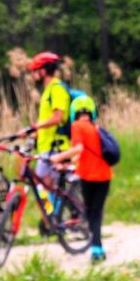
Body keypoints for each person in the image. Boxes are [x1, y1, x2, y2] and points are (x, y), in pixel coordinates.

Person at [51, 94, 111, 263]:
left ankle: (96, 248)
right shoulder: (96, 128)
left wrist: (58, 158)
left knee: (91, 212)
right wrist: (68, 161)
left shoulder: (77, 126)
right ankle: (97, 247)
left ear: (73, 112)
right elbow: (86, 152)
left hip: (88, 177)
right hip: (105, 176)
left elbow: (78, 148)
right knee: (96, 212)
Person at [24, 52, 71, 190]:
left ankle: (71, 211)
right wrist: (33, 133)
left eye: (35, 71)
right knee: (47, 189)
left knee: (44, 188)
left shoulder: (56, 89)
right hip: (46, 148)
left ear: (43, 71)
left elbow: (58, 118)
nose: (33, 75)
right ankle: (59, 211)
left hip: (56, 147)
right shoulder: (48, 91)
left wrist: (38, 125)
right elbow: (47, 121)